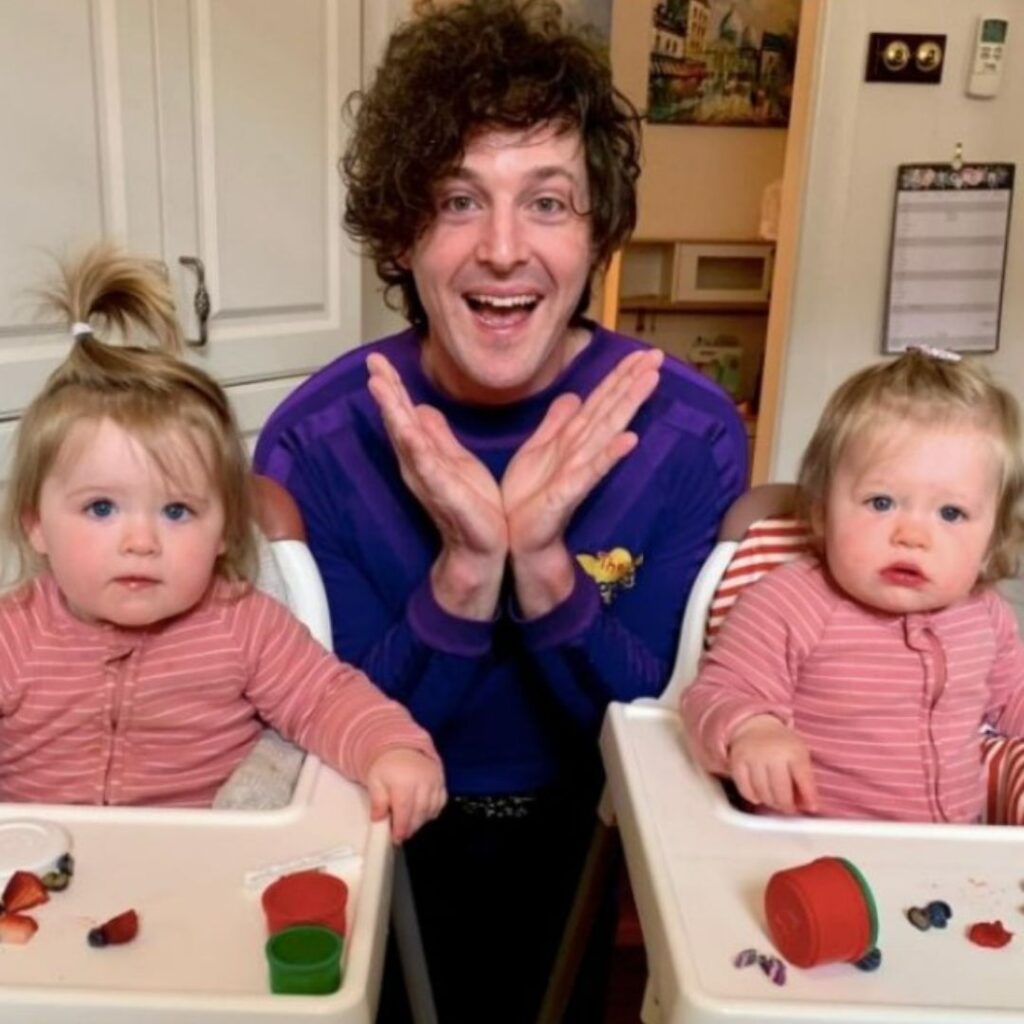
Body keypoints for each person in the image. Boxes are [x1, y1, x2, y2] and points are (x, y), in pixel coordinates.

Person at [255, 0, 747, 1018]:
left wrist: (547, 567)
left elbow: (659, 726)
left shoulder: (688, 432)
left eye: (549, 202)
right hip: (383, 835)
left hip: (591, 832)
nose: (503, 249)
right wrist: (467, 574)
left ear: (598, 229)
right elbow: (331, 726)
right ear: (399, 230)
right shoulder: (317, 439)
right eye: (456, 199)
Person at [0, 243, 446, 843]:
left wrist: (390, 750)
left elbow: (327, 699)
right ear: (36, 525)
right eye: (101, 508)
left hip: (201, 879)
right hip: (38, 890)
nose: (141, 541)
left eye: (177, 510)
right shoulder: (13, 635)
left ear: (224, 532)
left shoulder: (244, 626)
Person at [681, 347, 1024, 823]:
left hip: (955, 855)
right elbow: (716, 692)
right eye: (880, 502)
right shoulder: (788, 602)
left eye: (951, 513)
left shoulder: (987, 617)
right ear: (821, 512)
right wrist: (752, 730)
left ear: (992, 539)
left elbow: (1016, 701)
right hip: (816, 852)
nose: (912, 535)